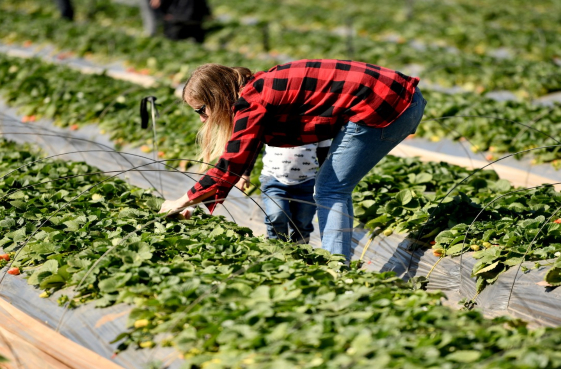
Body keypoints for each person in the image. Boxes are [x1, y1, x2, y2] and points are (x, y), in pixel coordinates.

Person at [159, 60, 426, 262]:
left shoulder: (253, 99)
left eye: (201, 110)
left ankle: (336, 269)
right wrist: (197, 201)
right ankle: (338, 262)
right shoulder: (260, 88)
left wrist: (182, 200)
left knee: (330, 189)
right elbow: (245, 148)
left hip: (385, 102)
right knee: (334, 188)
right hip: (401, 97)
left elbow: (231, 162)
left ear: (215, 97)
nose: (203, 119)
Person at [245, 140, 331, 244]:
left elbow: (324, 153)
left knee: (303, 223)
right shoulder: (271, 123)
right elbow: (254, 144)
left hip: (307, 181)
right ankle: (277, 248)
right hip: (274, 179)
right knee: (276, 214)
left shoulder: (319, 125)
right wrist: (246, 172)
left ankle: (299, 252)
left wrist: (326, 181)